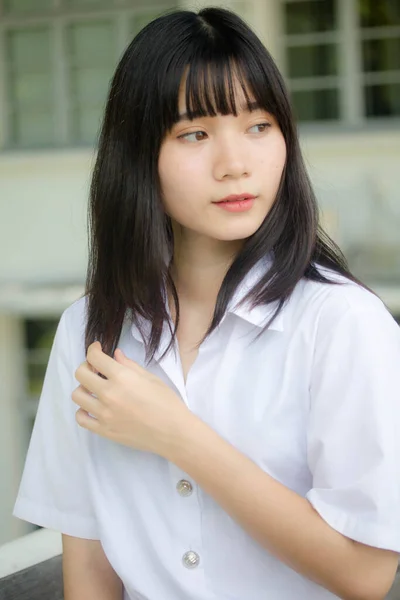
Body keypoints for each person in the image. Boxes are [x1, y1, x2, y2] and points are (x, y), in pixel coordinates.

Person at [13, 7, 400, 600]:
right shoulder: (89, 331)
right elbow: (89, 566)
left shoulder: (341, 323)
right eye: (194, 134)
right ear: (139, 154)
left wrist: (177, 436)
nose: (235, 163)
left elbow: (367, 575)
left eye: (258, 126)